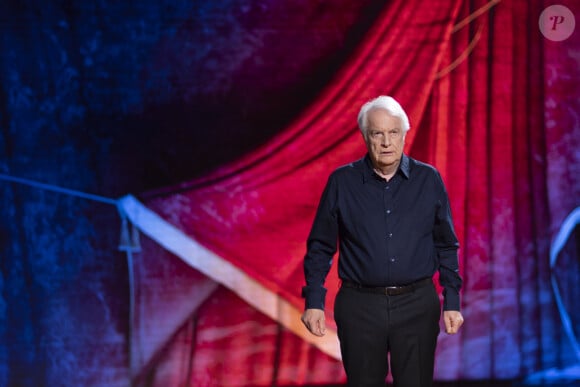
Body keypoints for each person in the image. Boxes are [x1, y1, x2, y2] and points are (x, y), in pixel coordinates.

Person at [300, 95, 464, 387]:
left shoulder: (429, 179)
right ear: (365, 137)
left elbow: (446, 244)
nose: (387, 142)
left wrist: (452, 300)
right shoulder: (342, 182)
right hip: (359, 306)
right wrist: (314, 301)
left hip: (416, 305)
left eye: (394, 132)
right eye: (378, 133)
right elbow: (320, 246)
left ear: (404, 135)